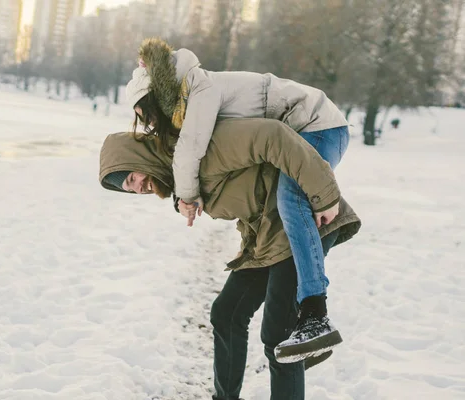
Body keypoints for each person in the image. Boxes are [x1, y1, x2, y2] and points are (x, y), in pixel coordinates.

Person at [99, 118, 361, 400]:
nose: (138, 188)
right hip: (268, 237)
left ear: (138, 157)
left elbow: (272, 135)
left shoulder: (202, 148)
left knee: (278, 334)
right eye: (130, 189)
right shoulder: (183, 177)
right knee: (227, 313)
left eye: (131, 178)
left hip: (304, 221)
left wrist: (326, 196)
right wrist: (182, 199)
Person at [125, 38, 350, 360]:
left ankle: (316, 316)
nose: (147, 124)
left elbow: (191, 148)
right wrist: (182, 197)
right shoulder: (187, 103)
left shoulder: (199, 88)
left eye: (144, 114)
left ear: (155, 101)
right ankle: (310, 336)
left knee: (292, 200)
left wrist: (326, 197)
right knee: (286, 200)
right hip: (294, 134)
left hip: (318, 124)